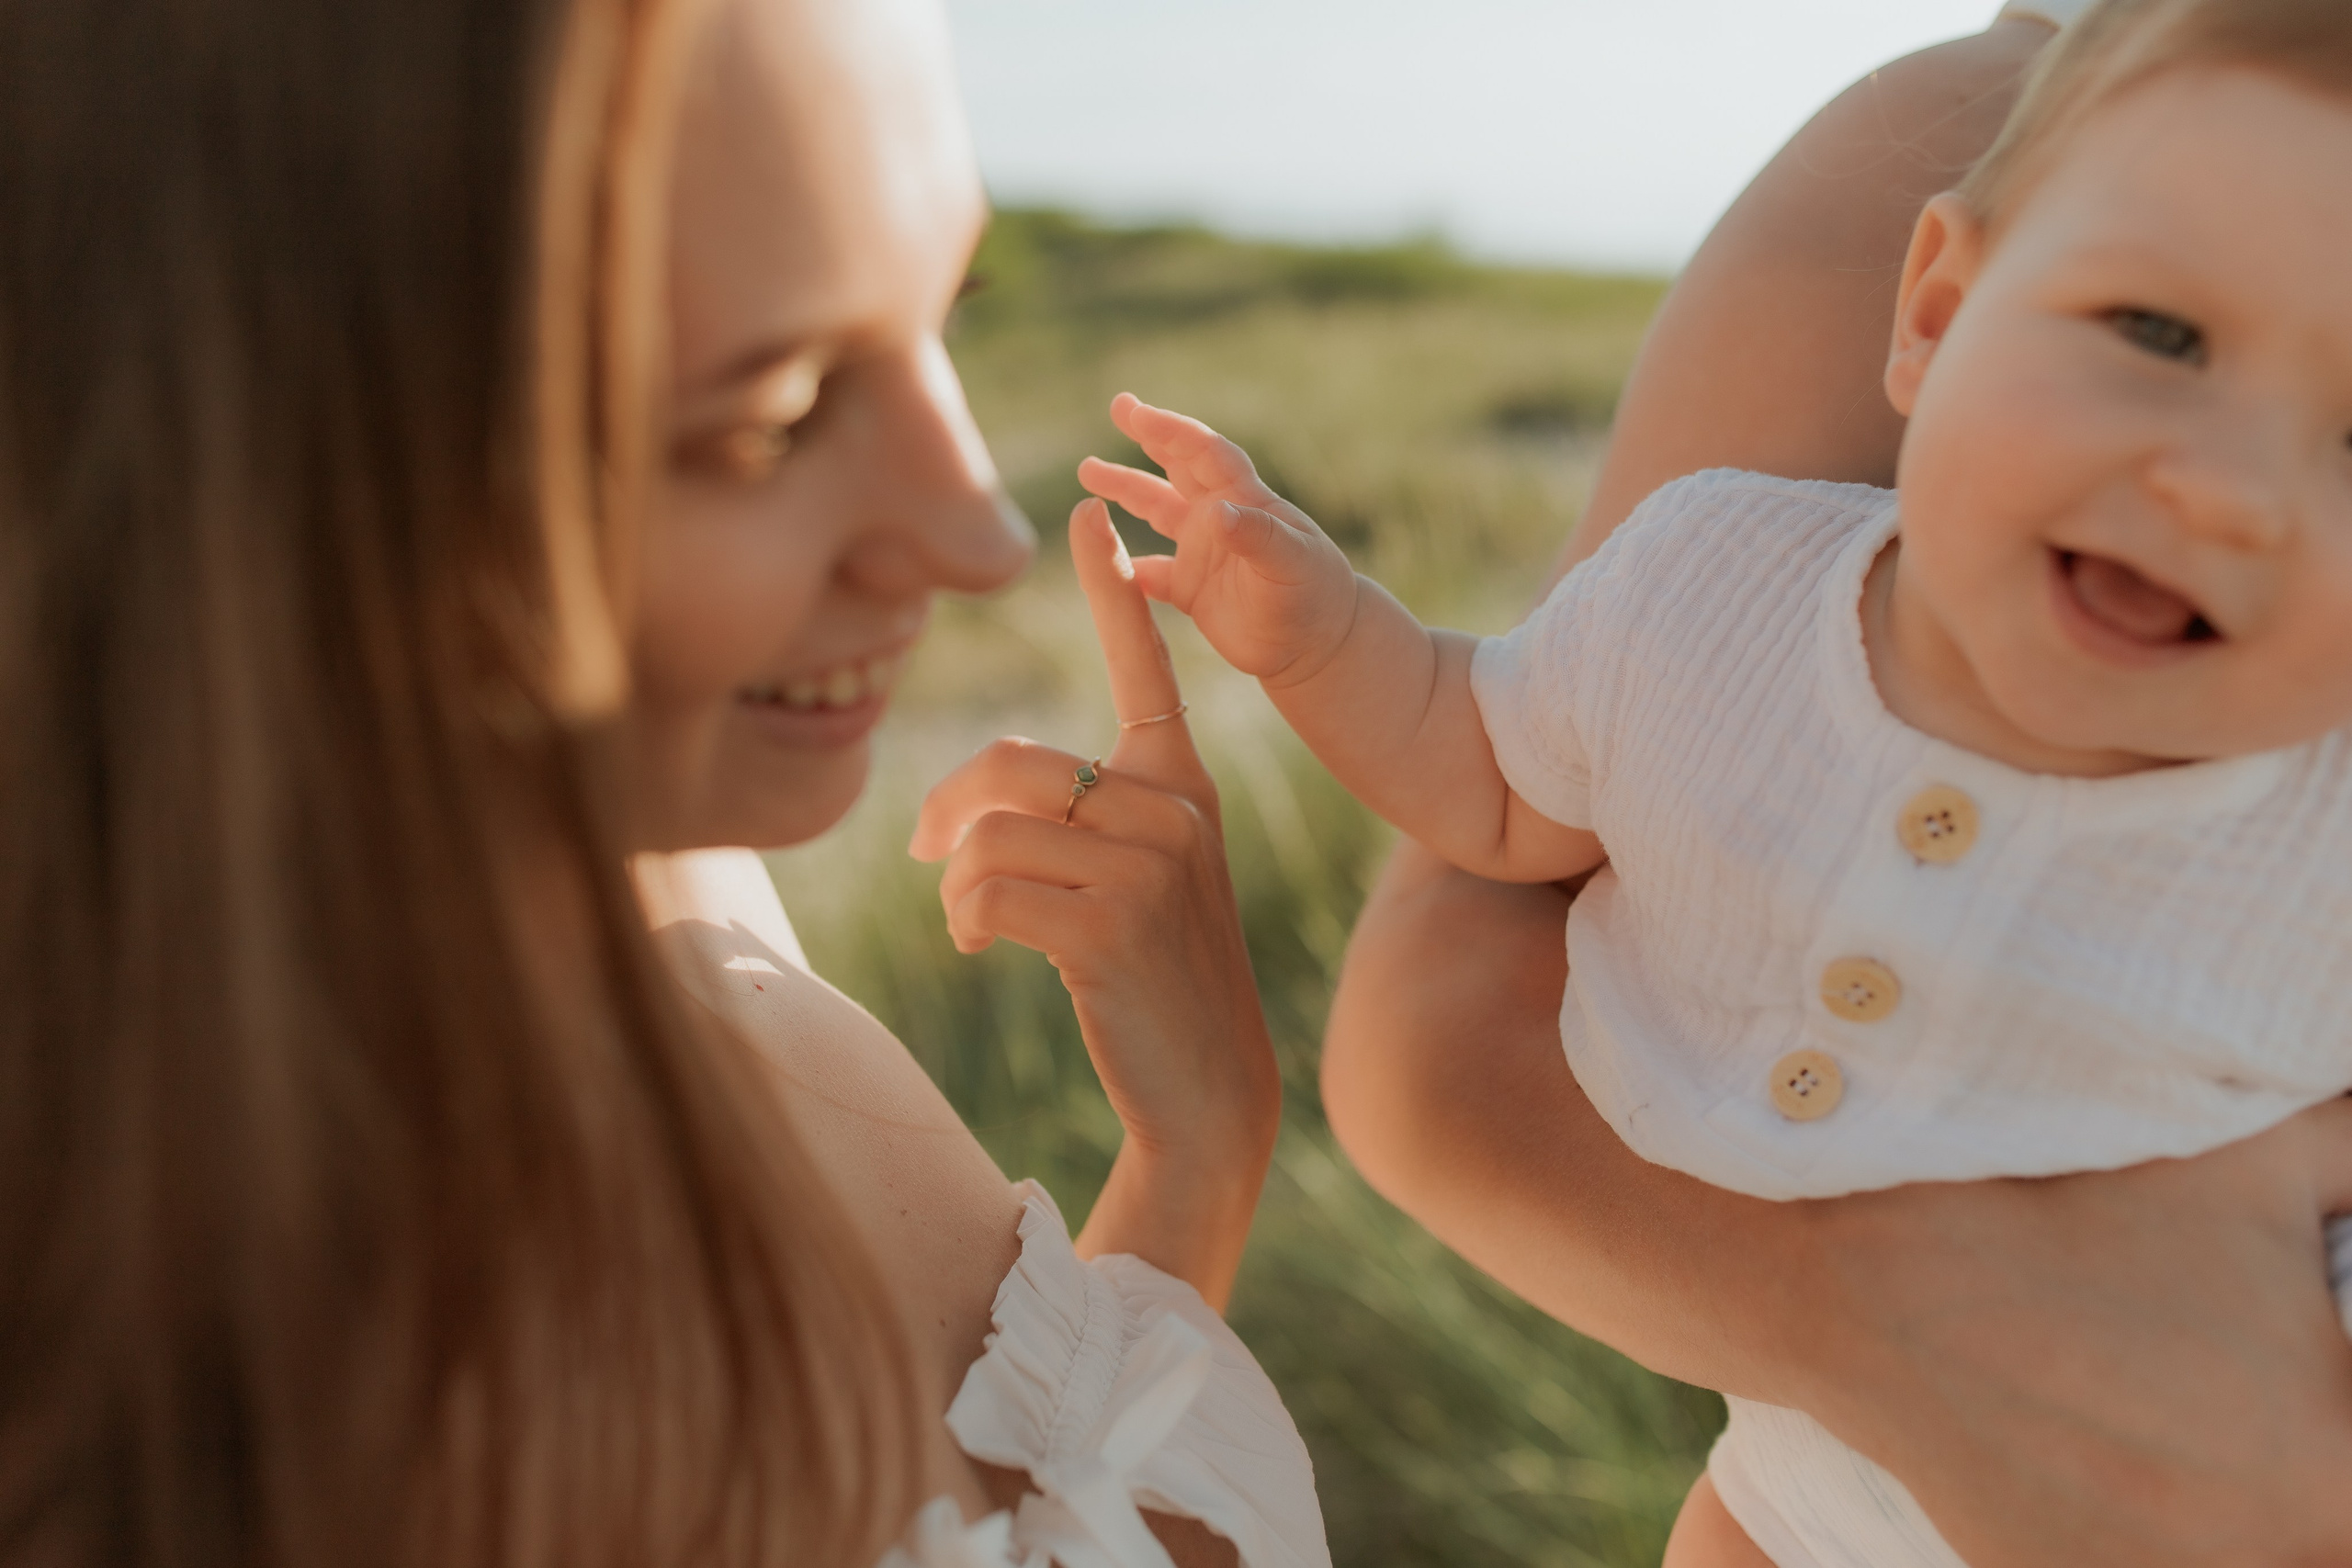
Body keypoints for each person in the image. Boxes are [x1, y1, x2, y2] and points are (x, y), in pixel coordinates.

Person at [0, 0, 1328, 1564]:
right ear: (287, 463)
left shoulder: (668, 868)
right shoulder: (282, 1349)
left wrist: (1196, 1146)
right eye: (774, 418)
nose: (979, 533)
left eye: (940, 310)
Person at [1314, 5, 2352, 1568]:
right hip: (1807, 1497)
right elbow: (1463, 923)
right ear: (1934, 306)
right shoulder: (2028, 114)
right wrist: (1325, 637)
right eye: (2154, 334)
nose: (2219, 481)